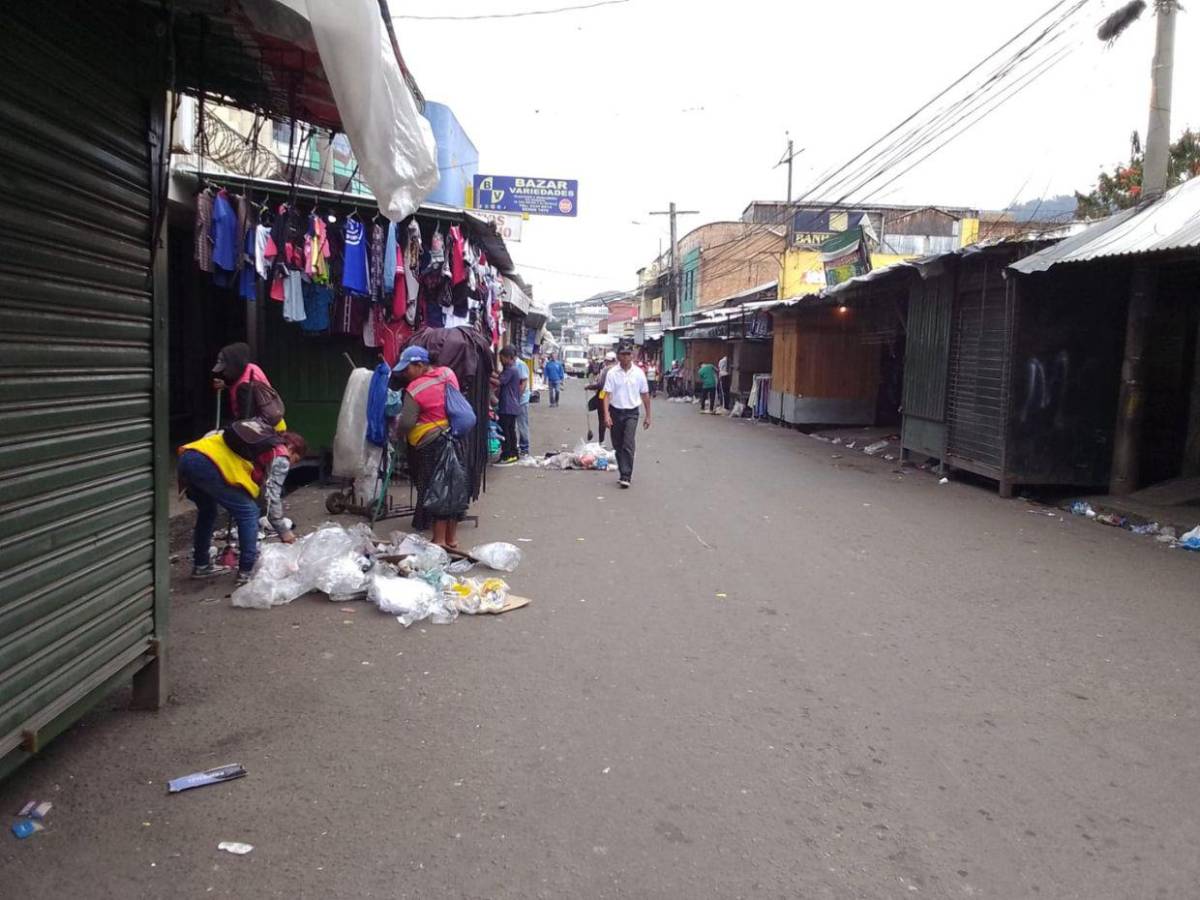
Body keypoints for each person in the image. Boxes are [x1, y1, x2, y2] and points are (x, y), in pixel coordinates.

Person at [178, 426, 306, 585]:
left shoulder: (260, 443)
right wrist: (284, 531)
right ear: (292, 448)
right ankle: (246, 571)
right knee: (248, 513)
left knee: (208, 511)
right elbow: (271, 496)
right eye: (295, 459)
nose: (291, 464)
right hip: (209, 465)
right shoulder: (280, 454)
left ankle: (201, 565)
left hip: (189, 456)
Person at [393, 345, 467, 549]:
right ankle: (452, 539)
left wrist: (397, 434)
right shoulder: (447, 374)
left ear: (419, 365)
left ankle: (439, 540)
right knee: (454, 489)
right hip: (455, 438)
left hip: (431, 445)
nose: (405, 374)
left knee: (435, 490)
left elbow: (407, 422)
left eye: (407, 369)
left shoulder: (414, 389)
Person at [601, 341, 651, 489]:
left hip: (632, 413)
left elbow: (645, 395)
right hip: (615, 411)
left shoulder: (639, 373)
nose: (626, 357)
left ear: (632, 356)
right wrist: (606, 415)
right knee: (617, 444)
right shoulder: (612, 373)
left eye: (628, 354)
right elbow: (606, 395)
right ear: (618, 356)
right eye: (623, 354)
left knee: (628, 443)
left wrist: (648, 416)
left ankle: (626, 475)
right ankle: (623, 470)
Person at [211, 342, 280, 424]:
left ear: (234, 365)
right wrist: (226, 386)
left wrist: (225, 431)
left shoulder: (244, 387)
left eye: (225, 369)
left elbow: (245, 422)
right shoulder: (251, 368)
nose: (223, 373)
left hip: (261, 429)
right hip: (276, 420)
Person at [496, 345, 524, 463]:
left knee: (505, 431)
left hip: (507, 406)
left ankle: (507, 454)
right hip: (513, 406)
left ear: (508, 358)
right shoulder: (513, 369)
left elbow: (500, 381)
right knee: (511, 431)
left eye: (501, 358)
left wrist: (487, 377)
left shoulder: (510, 370)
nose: (500, 360)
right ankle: (513, 453)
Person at [587, 350, 617, 444]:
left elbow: (600, 385)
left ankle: (602, 441)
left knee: (602, 419)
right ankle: (616, 442)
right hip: (616, 397)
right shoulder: (619, 370)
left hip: (603, 394)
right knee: (616, 420)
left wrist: (589, 386)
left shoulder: (606, 370)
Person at [516, 355, 531, 456]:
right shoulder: (515, 364)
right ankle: (522, 446)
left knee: (522, 424)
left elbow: (524, 382)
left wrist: (518, 396)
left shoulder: (519, 364)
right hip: (518, 399)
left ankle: (525, 447)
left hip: (521, 400)